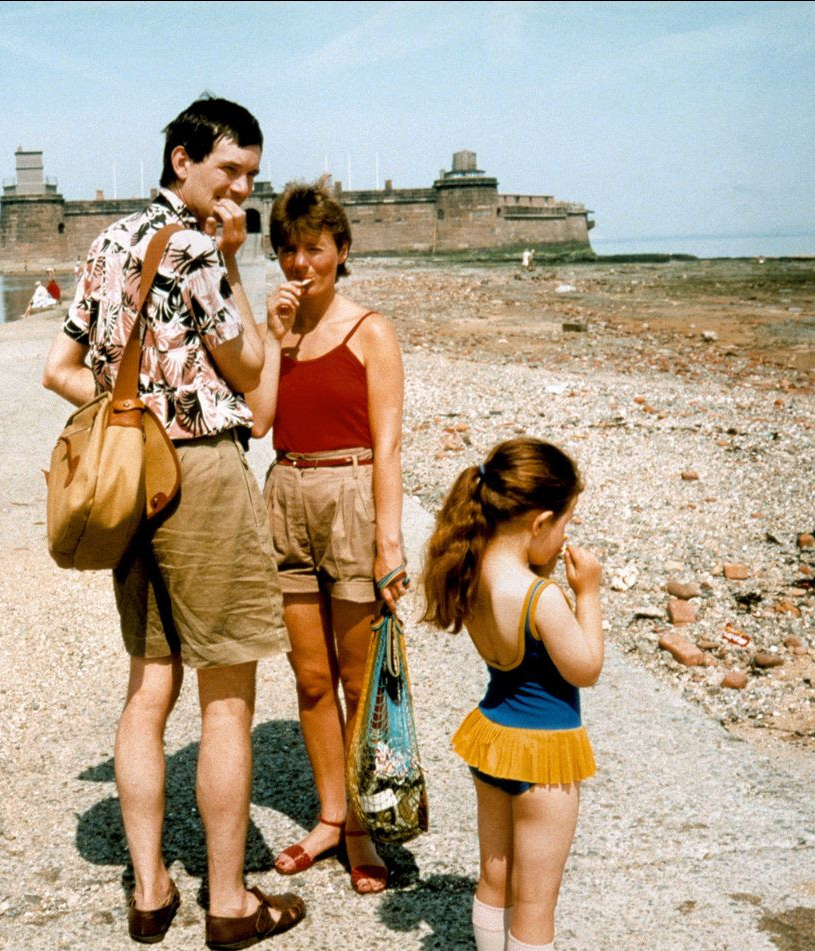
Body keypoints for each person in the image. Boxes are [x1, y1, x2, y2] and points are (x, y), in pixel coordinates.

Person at [42, 96, 305, 949]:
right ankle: (227, 902)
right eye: (229, 170)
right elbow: (249, 363)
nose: (239, 188)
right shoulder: (196, 248)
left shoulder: (107, 241)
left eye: (251, 178)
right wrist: (238, 263)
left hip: (133, 475)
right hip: (198, 474)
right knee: (228, 692)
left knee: (149, 684)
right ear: (182, 159)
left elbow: (60, 368)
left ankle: (150, 889)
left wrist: (137, 417)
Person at [244, 181, 407, 894]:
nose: (299, 262)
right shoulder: (276, 328)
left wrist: (391, 543)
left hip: (351, 493)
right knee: (310, 680)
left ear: (341, 251)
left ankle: (367, 827)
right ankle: (331, 816)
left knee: (356, 676)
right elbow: (258, 423)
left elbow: (390, 443)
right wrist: (276, 343)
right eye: (288, 249)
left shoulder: (371, 329)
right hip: (285, 490)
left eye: (314, 248)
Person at [421, 437, 604, 951]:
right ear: (540, 523)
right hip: (545, 754)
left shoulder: (470, 571)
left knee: (495, 877)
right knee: (536, 901)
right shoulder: (539, 598)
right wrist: (588, 593)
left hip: (493, 738)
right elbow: (585, 668)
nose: (567, 534)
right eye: (566, 522)